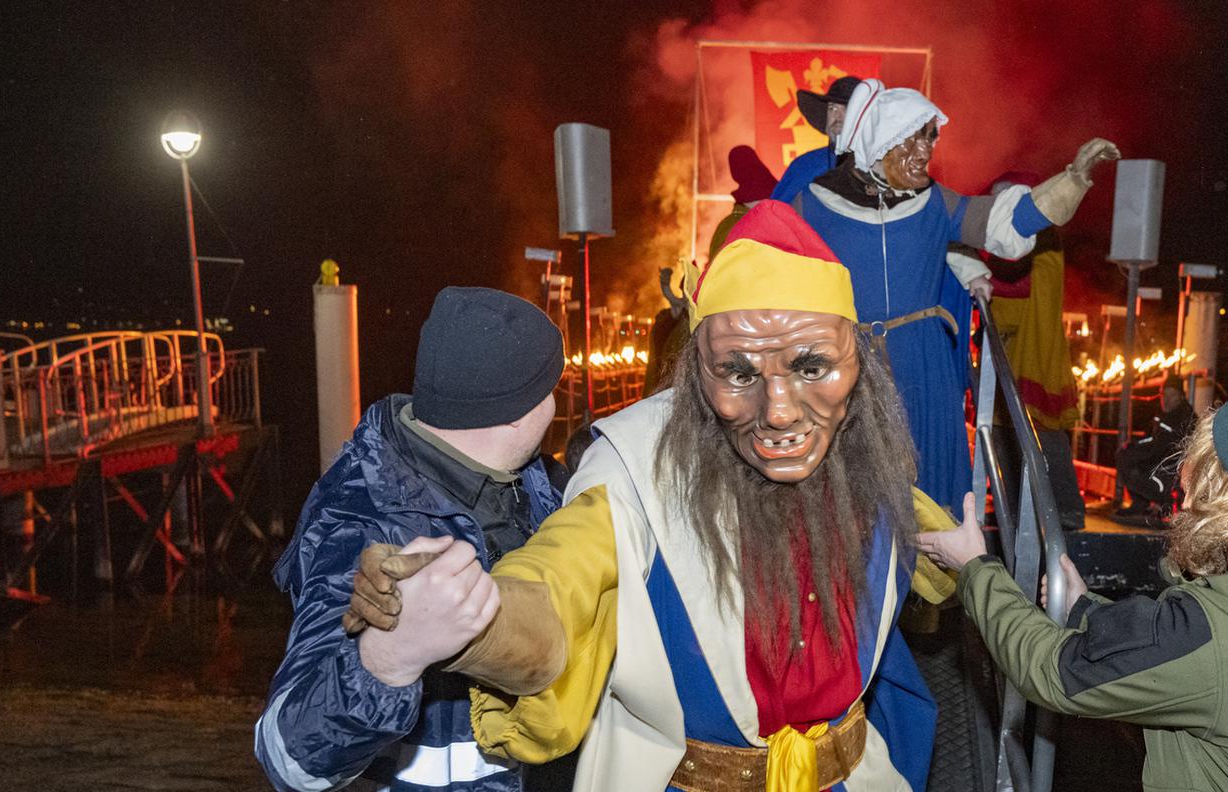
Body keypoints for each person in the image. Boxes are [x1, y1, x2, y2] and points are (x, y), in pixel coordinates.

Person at [381, 201, 963, 791]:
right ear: (696, 374)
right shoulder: (636, 471)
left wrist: (970, 564)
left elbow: (909, 521)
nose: (780, 410)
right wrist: (473, 620)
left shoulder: (862, 452)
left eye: (812, 366)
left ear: (858, 366)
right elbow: (559, 583)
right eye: (739, 375)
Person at [918, 372, 1228, 791]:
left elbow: (1052, 671)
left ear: (1221, 488)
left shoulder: (1215, 632)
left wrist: (975, 567)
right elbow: (1168, 648)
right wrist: (1082, 607)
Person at [254, 286, 567, 792]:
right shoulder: (362, 522)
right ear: (516, 410)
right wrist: (389, 657)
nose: (558, 402)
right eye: (551, 387)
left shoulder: (537, 482)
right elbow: (288, 758)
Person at [793, 77, 1118, 518]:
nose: (926, 152)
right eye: (915, 140)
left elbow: (1006, 224)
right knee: (850, 499)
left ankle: (931, 578)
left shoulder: (934, 203)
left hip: (924, 368)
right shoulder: (811, 206)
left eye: (931, 139)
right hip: (845, 366)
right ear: (881, 139)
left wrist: (1073, 180)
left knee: (927, 490)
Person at [979, 171, 1087, 530]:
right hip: (1004, 353)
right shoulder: (995, 245)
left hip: (1035, 353)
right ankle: (1011, 509)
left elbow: (1017, 281)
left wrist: (972, 271)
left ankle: (1067, 509)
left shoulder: (1043, 238)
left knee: (1045, 433)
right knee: (999, 433)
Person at [1114, 373, 1196, 522]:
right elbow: (1151, 437)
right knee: (1124, 455)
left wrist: (1141, 459)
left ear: (1180, 396)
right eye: (1164, 394)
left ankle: (1165, 506)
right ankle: (1140, 503)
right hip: (1158, 459)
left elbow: (1167, 448)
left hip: (1170, 468)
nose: (1166, 399)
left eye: (1172, 395)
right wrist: (1132, 444)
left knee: (1133, 463)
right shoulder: (1162, 414)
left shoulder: (1184, 416)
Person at [770, 76, 861, 204]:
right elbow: (775, 213)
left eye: (846, 108)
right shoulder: (805, 165)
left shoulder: (880, 166)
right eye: (832, 108)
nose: (837, 116)